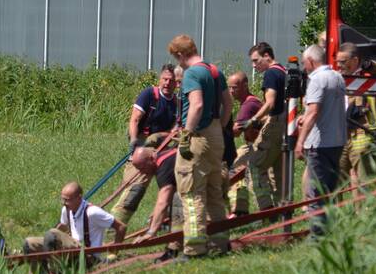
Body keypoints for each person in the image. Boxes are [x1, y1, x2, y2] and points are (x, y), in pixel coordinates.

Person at [168, 34, 232, 259]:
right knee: (215, 192)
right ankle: (220, 244)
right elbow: (228, 103)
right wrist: (220, 126)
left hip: (199, 137)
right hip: (216, 135)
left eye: (177, 59)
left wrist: (187, 133)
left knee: (192, 192)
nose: (179, 64)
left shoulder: (192, 73)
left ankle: (194, 250)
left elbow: (196, 104)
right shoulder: (215, 71)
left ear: (180, 54)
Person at [111, 64, 180, 226]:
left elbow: (175, 129)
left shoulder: (176, 102)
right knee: (134, 189)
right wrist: (134, 142)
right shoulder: (149, 95)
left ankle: (161, 220)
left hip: (162, 150)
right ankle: (115, 225)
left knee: (171, 186)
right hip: (142, 150)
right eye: (165, 79)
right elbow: (135, 119)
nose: (167, 83)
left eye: (172, 81)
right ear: (160, 79)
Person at [294, 44, 347, 238]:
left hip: (320, 143)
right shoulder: (337, 77)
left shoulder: (317, 79)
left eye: (303, 62)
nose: (303, 66)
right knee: (329, 191)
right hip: (337, 141)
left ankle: (317, 237)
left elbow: (314, 111)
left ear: (310, 61)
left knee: (316, 192)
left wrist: (300, 142)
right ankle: (328, 230)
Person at [22, 181, 126, 274]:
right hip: (73, 249)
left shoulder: (93, 212)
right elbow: (62, 227)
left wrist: (113, 253)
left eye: (67, 200)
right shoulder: (66, 210)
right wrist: (47, 239)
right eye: (62, 199)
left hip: (88, 257)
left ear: (79, 198)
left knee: (52, 234)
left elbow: (121, 227)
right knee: (30, 243)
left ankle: (55, 273)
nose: (63, 202)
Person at [235, 42, 287, 211]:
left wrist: (254, 120)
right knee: (279, 172)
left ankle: (266, 210)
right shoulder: (283, 71)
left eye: (256, 60)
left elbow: (270, 102)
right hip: (286, 125)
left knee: (254, 168)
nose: (254, 65)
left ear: (267, 56)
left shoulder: (271, 73)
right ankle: (283, 210)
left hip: (274, 124)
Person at [336, 42, 376, 183]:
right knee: (333, 183)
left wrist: (369, 64)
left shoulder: (369, 76)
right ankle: (336, 206)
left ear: (355, 60)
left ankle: (365, 206)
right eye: (337, 62)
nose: (338, 65)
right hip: (341, 137)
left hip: (363, 137)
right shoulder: (337, 77)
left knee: (365, 183)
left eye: (343, 62)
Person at [128, 146, 184, 260]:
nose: (141, 172)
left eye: (142, 167)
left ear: (151, 158)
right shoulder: (167, 155)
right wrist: (155, 216)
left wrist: (151, 232)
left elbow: (163, 202)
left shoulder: (163, 167)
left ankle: (175, 249)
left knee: (177, 204)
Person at [226, 71, 264, 216]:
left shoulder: (248, 105)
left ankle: (239, 209)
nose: (231, 91)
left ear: (245, 85)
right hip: (255, 145)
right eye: (229, 87)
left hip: (255, 146)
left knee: (234, 171)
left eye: (234, 87)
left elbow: (236, 131)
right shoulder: (252, 101)